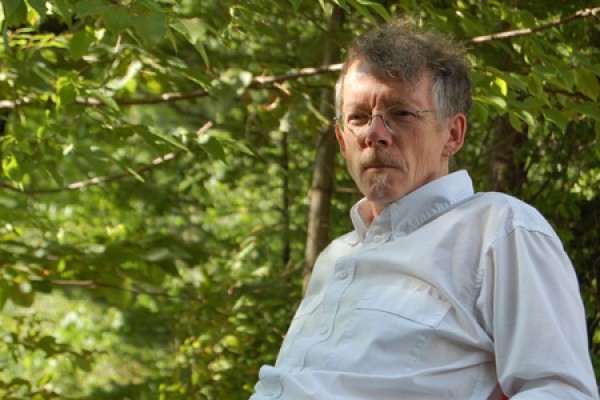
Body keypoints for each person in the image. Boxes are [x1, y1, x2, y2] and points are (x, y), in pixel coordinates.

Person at [251, 20, 599, 399]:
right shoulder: (334, 257)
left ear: (453, 134)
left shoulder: (499, 230)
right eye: (358, 117)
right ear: (341, 138)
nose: (374, 133)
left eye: (401, 113)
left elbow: (561, 391)